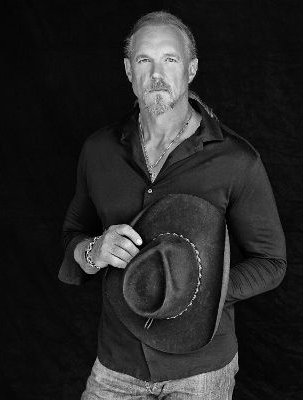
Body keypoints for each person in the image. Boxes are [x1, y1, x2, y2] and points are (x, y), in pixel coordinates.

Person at [59, 11, 286, 400]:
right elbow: (73, 237)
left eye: (170, 59)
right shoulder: (98, 151)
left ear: (191, 69)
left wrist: (201, 296)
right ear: (129, 71)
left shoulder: (236, 160)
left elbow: (271, 262)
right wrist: (94, 250)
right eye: (144, 60)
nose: (156, 74)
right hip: (117, 364)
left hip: (201, 373)